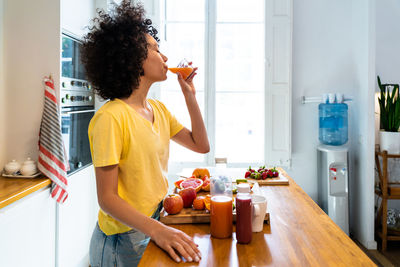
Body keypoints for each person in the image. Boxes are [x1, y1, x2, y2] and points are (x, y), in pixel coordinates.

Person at [81, 1, 209, 266]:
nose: (164, 58)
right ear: (133, 58)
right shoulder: (110, 117)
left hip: (154, 223)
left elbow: (201, 145)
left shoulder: (158, 110)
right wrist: (157, 229)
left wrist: (190, 96)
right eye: (155, 49)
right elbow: (107, 199)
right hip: (123, 239)